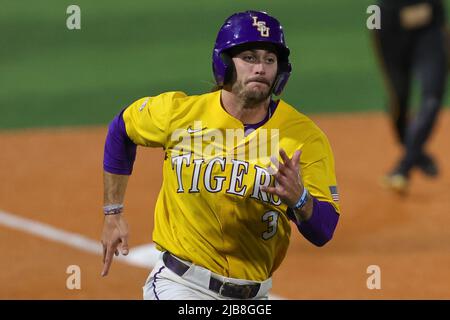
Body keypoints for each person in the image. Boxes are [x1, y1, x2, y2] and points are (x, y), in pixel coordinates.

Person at [100, 10, 341, 300]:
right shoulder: (180, 114)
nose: (261, 68)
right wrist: (113, 213)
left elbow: (324, 230)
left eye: (269, 59)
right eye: (249, 58)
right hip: (180, 285)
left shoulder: (303, 137)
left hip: (254, 295)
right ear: (224, 63)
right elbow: (121, 129)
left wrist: (301, 199)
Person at [373, 0, 448, 193]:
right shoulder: (380, 9)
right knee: (399, 100)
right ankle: (417, 154)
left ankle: (403, 167)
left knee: (431, 100)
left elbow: (438, 14)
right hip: (391, 39)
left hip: (428, 36)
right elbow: (374, 19)